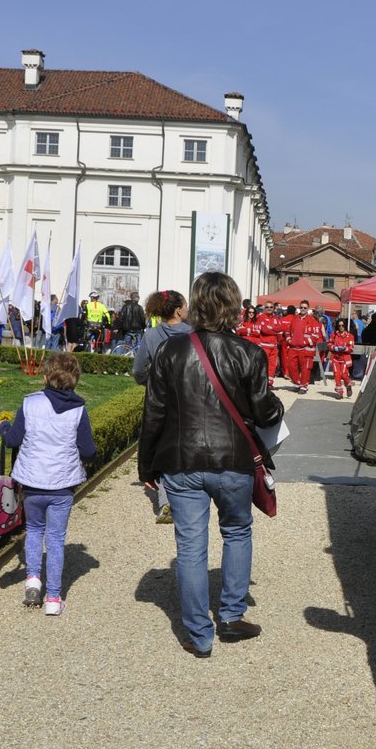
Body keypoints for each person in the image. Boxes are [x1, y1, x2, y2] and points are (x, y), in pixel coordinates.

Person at [138, 271, 283, 659]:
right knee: (236, 531)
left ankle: (200, 635)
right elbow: (265, 414)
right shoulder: (250, 353)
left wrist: (145, 466)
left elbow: (153, 413)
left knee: (190, 547)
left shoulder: (170, 351)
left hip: (181, 461)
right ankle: (232, 616)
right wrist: (277, 405)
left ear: (196, 306)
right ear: (235, 306)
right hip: (232, 459)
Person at [0, 353, 96, 615]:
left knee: (33, 530)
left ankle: (32, 580)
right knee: (55, 538)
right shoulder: (79, 410)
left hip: (33, 483)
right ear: (75, 381)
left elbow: (13, 440)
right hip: (62, 485)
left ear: (45, 377)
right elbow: (88, 450)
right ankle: (53, 598)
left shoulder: (30, 404)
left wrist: (4, 428)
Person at [132, 290, 194, 525]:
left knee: (161, 445)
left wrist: (149, 382)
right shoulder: (193, 334)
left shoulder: (151, 335)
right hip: (189, 395)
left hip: (160, 397)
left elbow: (138, 370)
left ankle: (166, 499)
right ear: (179, 310)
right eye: (185, 305)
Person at [284, 299, 322, 394]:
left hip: (306, 349)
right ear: (299, 308)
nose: (303, 309)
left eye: (305, 308)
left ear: (308, 309)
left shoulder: (312, 320)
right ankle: (297, 383)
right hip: (293, 347)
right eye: (301, 307)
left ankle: (304, 386)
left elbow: (316, 335)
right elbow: (287, 331)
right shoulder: (294, 318)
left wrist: (305, 342)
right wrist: (289, 340)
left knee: (305, 369)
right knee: (291, 367)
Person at [328, 317, 357, 398]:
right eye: (339, 325)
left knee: (344, 375)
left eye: (343, 325)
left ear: (345, 326)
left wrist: (345, 348)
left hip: (344, 358)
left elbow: (351, 348)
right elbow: (329, 344)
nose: (341, 327)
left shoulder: (350, 336)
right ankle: (339, 392)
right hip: (335, 358)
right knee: (337, 374)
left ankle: (348, 385)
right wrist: (334, 348)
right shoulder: (334, 335)